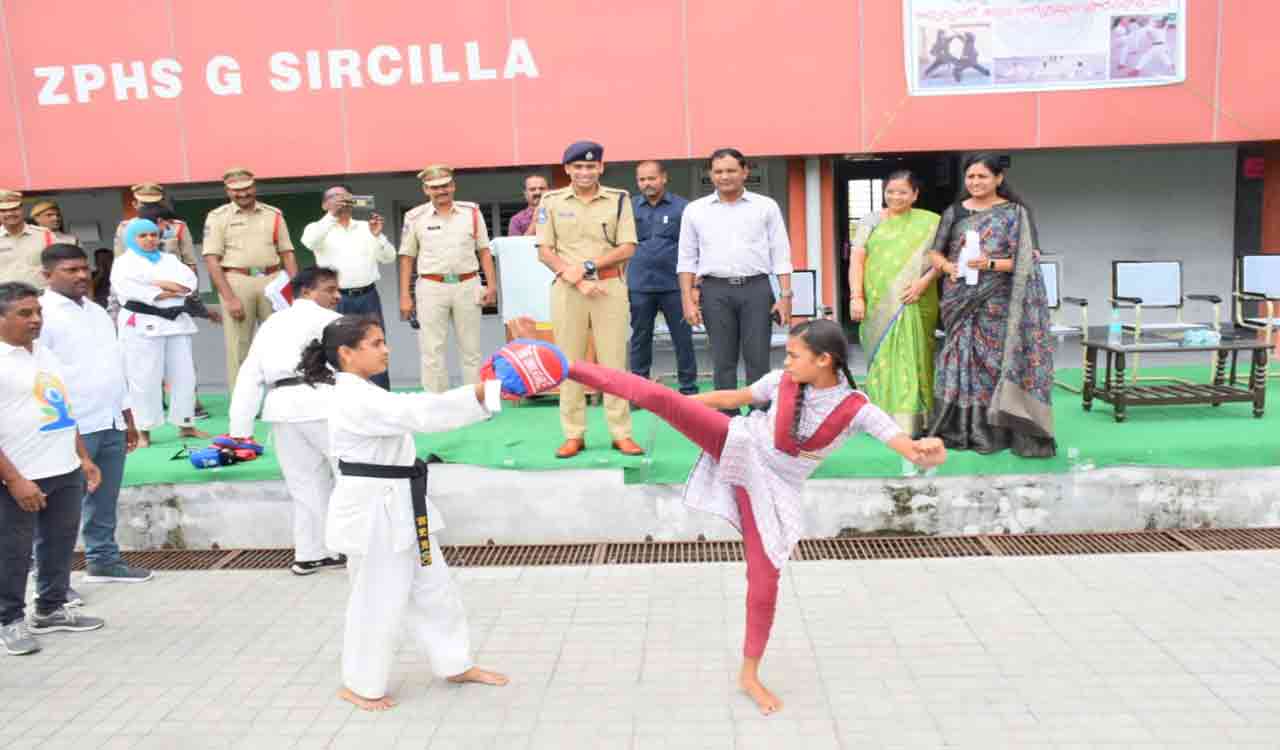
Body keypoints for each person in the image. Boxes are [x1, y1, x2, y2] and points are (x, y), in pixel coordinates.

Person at [554, 318, 946, 714]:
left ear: (825, 360)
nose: (787, 361)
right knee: (663, 399)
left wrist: (927, 450)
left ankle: (749, 673)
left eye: (795, 355)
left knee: (765, 580)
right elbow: (733, 398)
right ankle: (566, 366)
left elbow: (907, 447)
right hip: (738, 443)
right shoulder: (781, 381)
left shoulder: (858, 409)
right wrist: (687, 408)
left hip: (773, 490)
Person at [298, 315, 509, 710]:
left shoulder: (366, 391)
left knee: (435, 589)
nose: (386, 349)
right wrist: (483, 393)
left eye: (383, 341)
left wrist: (486, 392)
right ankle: (360, 684)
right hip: (374, 510)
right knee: (376, 598)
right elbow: (420, 412)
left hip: (402, 501)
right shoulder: (354, 396)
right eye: (375, 343)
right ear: (346, 353)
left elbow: (418, 410)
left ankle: (455, 662)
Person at [0, 282, 105, 657]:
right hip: (18, 475)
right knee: (11, 551)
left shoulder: (45, 354)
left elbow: (61, 408)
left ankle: (50, 608)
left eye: (38, 312)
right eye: (24, 313)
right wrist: (14, 480)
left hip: (63, 467)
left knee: (59, 543)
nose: (35, 320)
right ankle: (9, 620)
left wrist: (83, 459)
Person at [927, 153, 1056, 457]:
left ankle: (997, 428)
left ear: (998, 179)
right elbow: (935, 253)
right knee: (955, 360)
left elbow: (1028, 259)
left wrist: (990, 263)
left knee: (994, 363)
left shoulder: (1015, 214)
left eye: (982, 176)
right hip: (959, 298)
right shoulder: (954, 212)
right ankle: (957, 427)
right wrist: (948, 268)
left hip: (998, 300)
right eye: (970, 177)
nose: (975, 182)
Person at [38, 244, 151, 584]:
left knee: (105, 498)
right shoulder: (41, 314)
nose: (81, 276)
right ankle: (52, 584)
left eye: (83, 269)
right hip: (72, 424)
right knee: (61, 509)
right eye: (69, 270)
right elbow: (40, 375)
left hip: (110, 418)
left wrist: (128, 418)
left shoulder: (97, 311)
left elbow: (115, 366)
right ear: (47, 275)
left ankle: (103, 560)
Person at [228, 267, 346, 576]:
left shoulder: (272, 323)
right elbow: (351, 365)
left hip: (281, 408)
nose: (337, 296)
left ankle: (309, 554)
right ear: (307, 292)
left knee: (304, 485)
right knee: (350, 478)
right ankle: (351, 546)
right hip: (324, 403)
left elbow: (250, 374)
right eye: (330, 289)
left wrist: (240, 430)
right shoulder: (331, 322)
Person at [536, 140, 644, 458]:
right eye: (578, 167)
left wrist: (586, 267)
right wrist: (574, 278)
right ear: (567, 169)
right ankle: (573, 434)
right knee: (569, 363)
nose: (585, 172)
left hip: (608, 287)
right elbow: (544, 250)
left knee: (613, 363)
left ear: (601, 167)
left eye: (591, 166)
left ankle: (620, 433)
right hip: (568, 290)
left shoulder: (619, 200)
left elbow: (628, 247)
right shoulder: (551, 201)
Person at [677, 148, 793, 412]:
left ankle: (760, 419)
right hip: (715, 291)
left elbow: (781, 254)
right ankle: (726, 423)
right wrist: (688, 300)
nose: (725, 176)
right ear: (710, 174)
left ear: (744, 172)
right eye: (718, 171)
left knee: (758, 360)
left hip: (757, 289)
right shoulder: (695, 211)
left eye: (731, 170)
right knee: (723, 361)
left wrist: (785, 297)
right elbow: (686, 260)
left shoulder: (766, 207)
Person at [848, 170, 942, 433]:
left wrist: (923, 283)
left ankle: (915, 419)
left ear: (915, 195)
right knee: (881, 358)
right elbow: (857, 260)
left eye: (902, 192)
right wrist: (856, 296)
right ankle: (880, 420)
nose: (895, 197)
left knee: (915, 356)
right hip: (878, 301)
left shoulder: (931, 222)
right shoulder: (870, 221)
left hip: (916, 298)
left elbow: (942, 260)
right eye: (890, 191)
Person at [398, 165, 498, 393]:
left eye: (445, 186)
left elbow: (484, 250)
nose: (441, 191)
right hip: (432, 287)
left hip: (468, 284)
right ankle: (437, 405)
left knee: (471, 349)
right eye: (434, 187)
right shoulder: (414, 217)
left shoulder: (472, 212)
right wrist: (405, 295)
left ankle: (474, 402)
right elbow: (406, 257)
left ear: (453, 186)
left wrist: (491, 286)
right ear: (426, 190)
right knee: (431, 349)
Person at [202, 168, 299, 391]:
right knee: (239, 346)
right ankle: (242, 405)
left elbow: (287, 253)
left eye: (246, 188)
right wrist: (229, 298)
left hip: (273, 280)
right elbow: (212, 260)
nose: (242, 194)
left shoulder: (273, 214)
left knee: (281, 341)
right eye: (236, 190)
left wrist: (296, 289)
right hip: (237, 281)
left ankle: (284, 397)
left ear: (254, 187)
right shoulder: (218, 217)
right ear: (227, 191)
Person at [113, 219, 206, 448]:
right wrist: (164, 289)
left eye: (153, 235)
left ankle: (186, 424)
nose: (149, 239)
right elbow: (128, 289)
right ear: (131, 239)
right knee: (144, 377)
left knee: (184, 375)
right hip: (141, 322)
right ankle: (144, 429)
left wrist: (159, 284)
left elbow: (189, 283)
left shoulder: (170, 259)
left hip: (175, 321)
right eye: (142, 236)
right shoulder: (124, 263)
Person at [300, 186, 396, 389]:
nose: (341, 201)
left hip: (367, 295)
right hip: (335, 299)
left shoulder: (365, 227)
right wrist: (332, 215)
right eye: (335, 198)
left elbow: (389, 257)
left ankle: (380, 396)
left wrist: (378, 236)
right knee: (336, 348)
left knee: (375, 345)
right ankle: (339, 395)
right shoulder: (317, 228)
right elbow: (308, 242)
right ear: (325, 204)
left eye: (345, 197)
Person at [629, 160, 697, 395]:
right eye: (642, 179)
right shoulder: (629, 208)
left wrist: (694, 285)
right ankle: (639, 390)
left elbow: (693, 247)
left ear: (664, 178)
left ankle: (688, 389)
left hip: (674, 285)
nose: (647, 183)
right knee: (640, 337)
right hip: (639, 284)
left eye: (652, 178)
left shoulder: (683, 208)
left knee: (683, 338)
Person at [113, 183, 198, 269]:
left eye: (154, 203)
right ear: (135, 204)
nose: (149, 208)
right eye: (144, 203)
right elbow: (119, 264)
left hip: (172, 279)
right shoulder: (125, 228)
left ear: (162, 203)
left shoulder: (177, 226)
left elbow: (190, 263)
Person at [0, 190, 55, 288]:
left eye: (14, 209)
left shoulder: (45, 235)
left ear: (22, 209)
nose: (9, 214)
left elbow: (58, 265)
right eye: (3, 211)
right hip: (4, 299)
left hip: (40, 297)